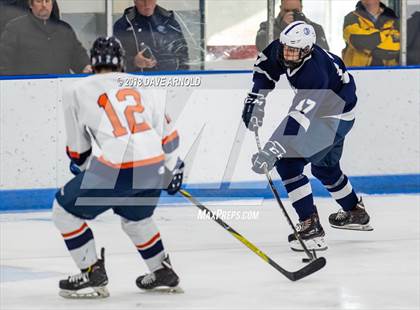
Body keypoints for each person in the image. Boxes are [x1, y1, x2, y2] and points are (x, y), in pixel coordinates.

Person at [51, 36, 184, 298]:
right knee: (137, 219)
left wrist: (80, 163)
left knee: (63, 211)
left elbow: (78, 150)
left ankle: (91, 271)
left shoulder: (77, 89)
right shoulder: (144, 85)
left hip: (118, 169)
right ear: (122, 63)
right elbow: (168, 135)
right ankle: (162, 270)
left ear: (92, 62)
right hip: (154, 166)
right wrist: (173, 168)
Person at [242, 21, 373, 252]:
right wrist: (257, 97)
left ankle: (311, 227)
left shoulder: (316, 73)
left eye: (294, 51)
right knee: (324, 169)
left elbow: (298, 120)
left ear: (308, 49)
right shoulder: (284, 47)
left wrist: (272, 149)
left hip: (334, 117)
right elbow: (265, 69)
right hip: (336, 111)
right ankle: (355, 211)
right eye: (286, 48)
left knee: (288, 164)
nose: (288, 54)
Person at [0, 0, 90, 75]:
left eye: (47, 1)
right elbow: (4, 65)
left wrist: (85, 66)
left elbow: (78, 56)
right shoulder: (15, 29)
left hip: (61, 89)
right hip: (26, 90)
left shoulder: (65, 30)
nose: (44, 5)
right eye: (39, 1)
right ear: (31, 5)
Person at [113, 0, 189, 73]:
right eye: (142, 0)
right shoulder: (122, 26)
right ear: (135, 1)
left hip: (170, 81)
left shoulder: (170, 22)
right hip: (137, 82)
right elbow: (115, 60)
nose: (147, 4)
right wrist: (134, 62)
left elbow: (183, 54)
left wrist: (181, 78)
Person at [342, 0, 400, 67]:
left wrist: (367, 45)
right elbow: (356, 40)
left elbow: (395, 48)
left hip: (390, 72)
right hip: (357, 72)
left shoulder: (393, 20)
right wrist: (384, 36)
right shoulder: (351, 18)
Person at [255, 0, 329, 52]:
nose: (291, 14)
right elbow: (262, 46)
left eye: (295, 11)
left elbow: (323, 52)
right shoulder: (267, 27)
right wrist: (285, 29)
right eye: (287, 10)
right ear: (280, 8)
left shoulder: (316, 28)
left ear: (301, 8)